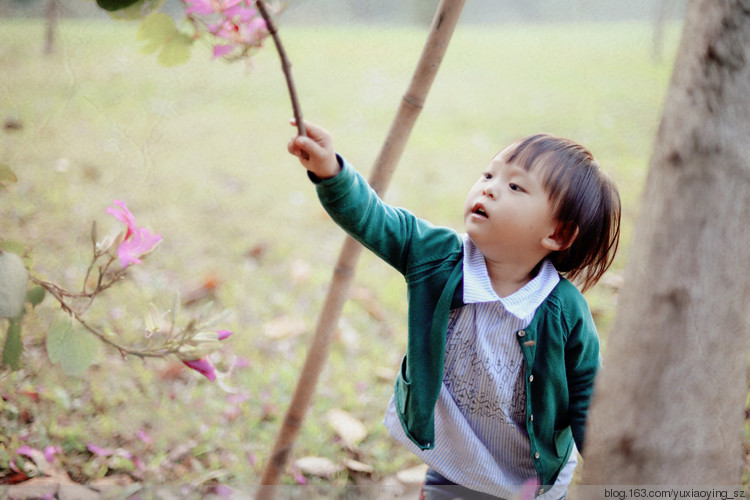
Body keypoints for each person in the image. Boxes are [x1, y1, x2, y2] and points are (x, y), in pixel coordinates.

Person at [287, 119, 621, 499]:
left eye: (514, 186)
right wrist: (331, 172)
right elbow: (374, 219)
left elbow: (587, 398)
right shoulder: (437, 257)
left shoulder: (564, 312)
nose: (490, 189)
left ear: (558, 234)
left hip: (531, 482)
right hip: (454, 466)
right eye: (489, 175)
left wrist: (613, 472)